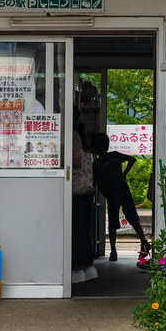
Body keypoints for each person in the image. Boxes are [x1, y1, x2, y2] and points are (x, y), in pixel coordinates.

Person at [91, 132, 149, 262]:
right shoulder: (115, 155)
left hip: (111, 192)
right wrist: (124, 174)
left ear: (95, 148)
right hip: (123, 188)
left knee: (113, 222)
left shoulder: (97, 164)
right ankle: (144, 241)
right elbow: (132, 160)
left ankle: (113, 251)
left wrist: (107, 195)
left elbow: (99, 184)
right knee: (133, 217)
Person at [71, 120, 97, 283]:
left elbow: (76, 161)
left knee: (74, 230)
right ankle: (88, 266)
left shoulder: (72, 135)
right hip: (85, 190)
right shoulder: (81, 138)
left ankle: (76, 267)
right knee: (82, 228)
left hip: (75, 191)